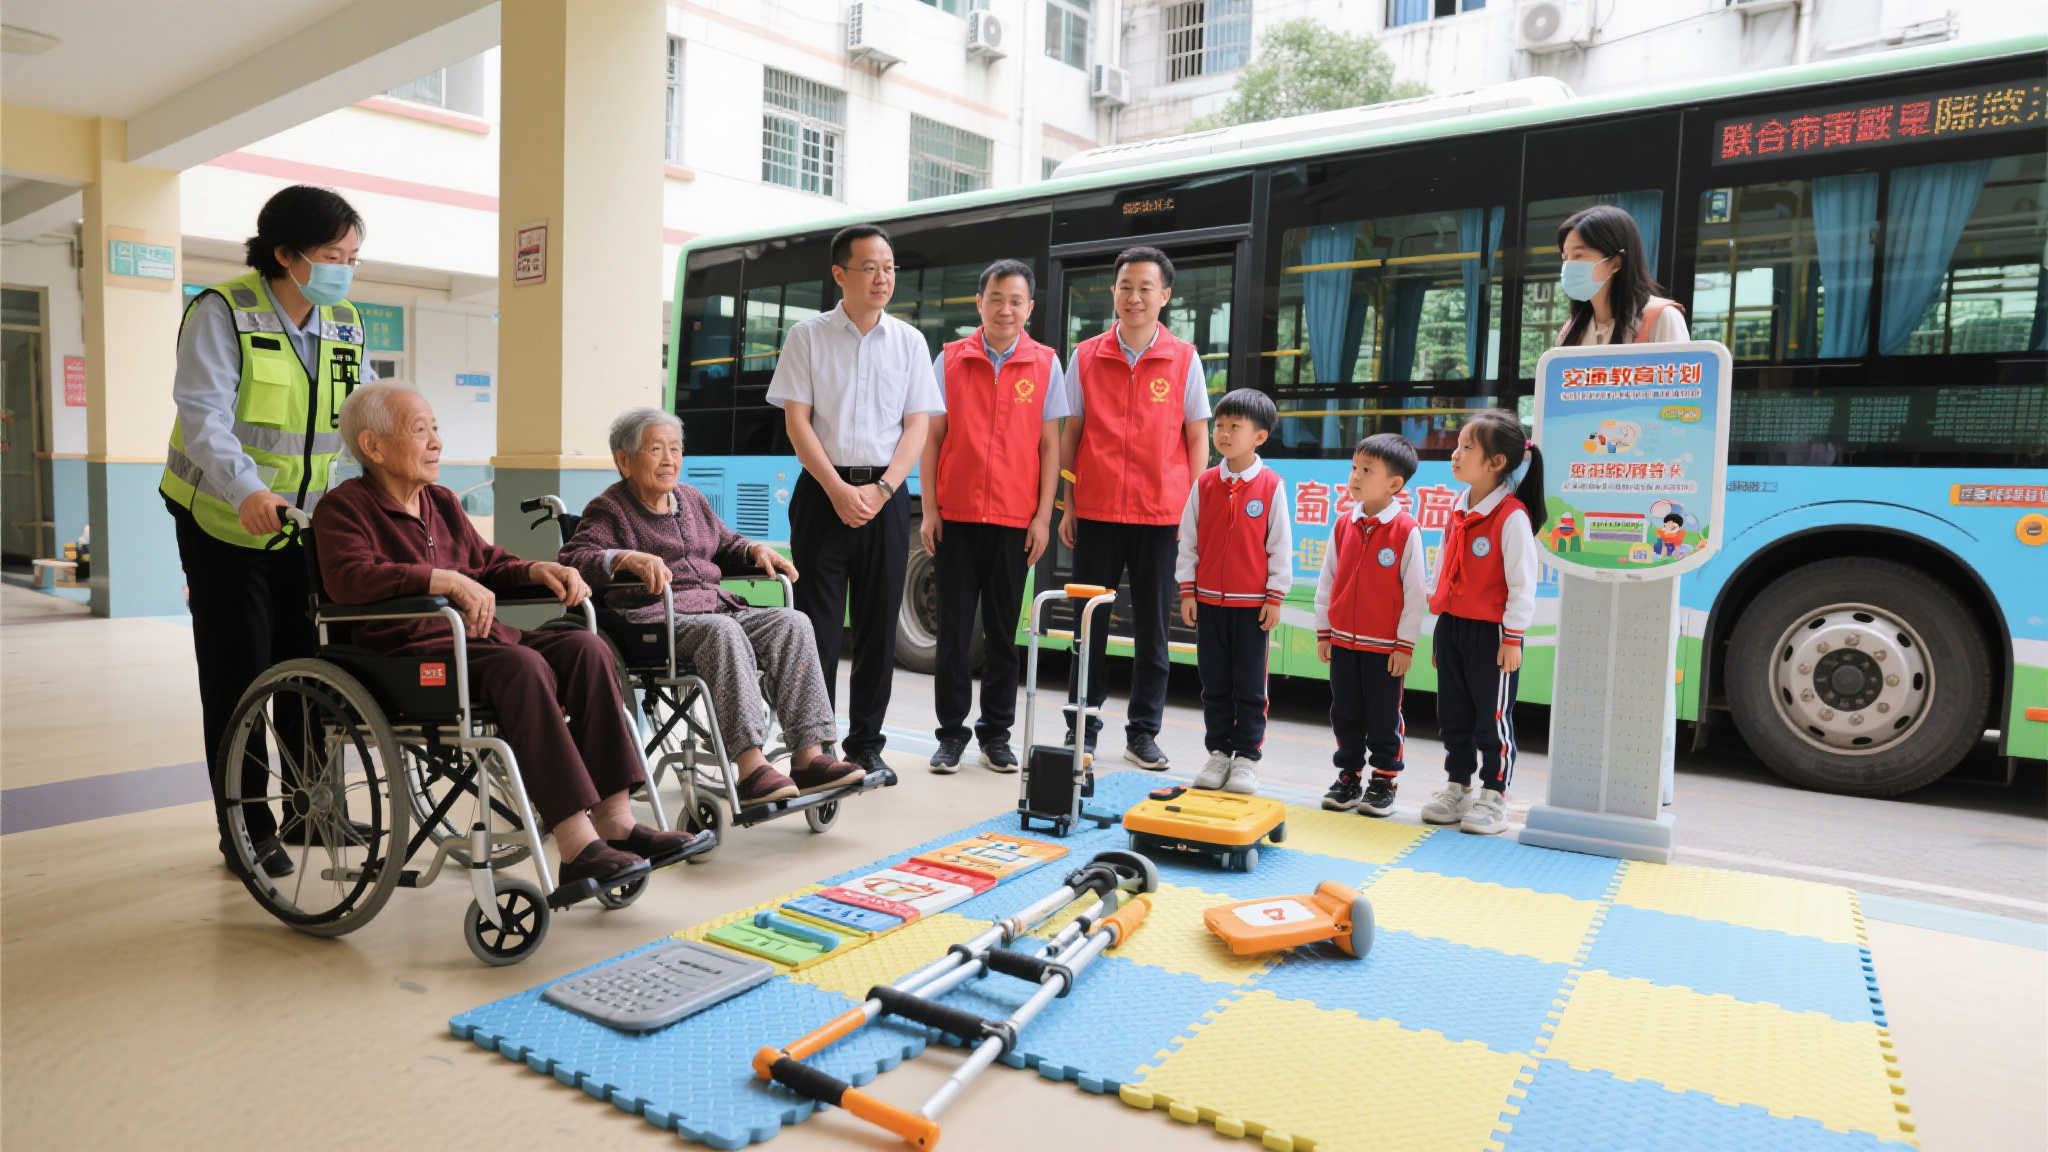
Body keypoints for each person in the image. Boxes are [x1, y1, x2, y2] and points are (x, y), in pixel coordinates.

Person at [314, 383, 709, 900]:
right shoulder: (343, 509)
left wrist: (540, 569)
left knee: (584, 648)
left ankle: (615, 821)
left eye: (436, 428)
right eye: (420, 430)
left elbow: (487, 564)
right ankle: (575, 846)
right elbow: (350, 578)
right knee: (522, 667)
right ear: (373, 445)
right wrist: (442, 581)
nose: (436, 441)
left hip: (479, 643)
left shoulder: (440, 501)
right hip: (409, 656)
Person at [160, 184, 378, 878]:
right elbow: (203, 416)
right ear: (284, 253)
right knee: (240, 673)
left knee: (310, 667)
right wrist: (248, 488)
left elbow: (366, 412)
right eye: (331, 254)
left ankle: (314, 807)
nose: (344, 268)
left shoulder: (344, 322)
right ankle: (245, 827)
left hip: (306, 525)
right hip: (224, 519)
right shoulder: (222, 311)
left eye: (353, 256)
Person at [559, 407, 866, 803]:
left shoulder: (691, 498)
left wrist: (756, 551)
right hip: (654, 621)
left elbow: (726, 543)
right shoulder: (610, 509)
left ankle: (809, 757)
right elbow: (573, 558)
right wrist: (623, 558)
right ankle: (751, 767)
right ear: (624, 460)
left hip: (716, 607)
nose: (670, 459)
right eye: (656, 449)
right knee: (724, 633)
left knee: (793, 622)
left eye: (675, 448)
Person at [767, 224, 943, 776]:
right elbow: (798, 424)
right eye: (870, 267)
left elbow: (917, 426)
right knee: (816, 629)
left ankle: (866, 747)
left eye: (889, 267)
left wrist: (885, 487)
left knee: (876, 628)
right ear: (840, 274)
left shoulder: (910, 341)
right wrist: (838, 489)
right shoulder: (808, 337)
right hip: (823, 496)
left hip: (886, 500)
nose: (883, 277)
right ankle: (811, 749)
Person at [1056, 246, 1211, 770]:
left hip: (1161, 519)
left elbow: (1196, 442)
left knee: (1153, 631)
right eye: (1126, 286)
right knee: (1088, 626)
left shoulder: (1185, 360)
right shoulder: (1084, 356)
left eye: (1146, 287)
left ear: (1165, 296)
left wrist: (1192, 516)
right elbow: (1071, 434)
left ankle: (1143, 732)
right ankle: (1082, 727)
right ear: (1114, 292)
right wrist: (1068, 503)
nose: (1134, 296)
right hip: (1097, 513)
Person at [920, 259, 1065, 775]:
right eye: (997, 298)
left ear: (1031, 308)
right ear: (979, 303)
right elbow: (931, 438)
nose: (1006, 308)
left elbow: (1051, 448)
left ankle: (996, 735)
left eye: (1017, 300)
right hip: (956, 519)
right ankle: (950, 736)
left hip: (1013, 522)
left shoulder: (1047, 363)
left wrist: (1042, 518)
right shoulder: (949, 360)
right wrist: (931, 510)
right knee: (954, 634)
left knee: (1005, 635)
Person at [1418, 411, 1546, 836]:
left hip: (1492, 635)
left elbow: (1523, 585)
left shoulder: (1511, 517)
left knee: (1492, 717)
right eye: (1458, 445)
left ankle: (1495, 794)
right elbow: (1443, 566)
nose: (1455, 454)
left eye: (1467, 448)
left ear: (1497, 463)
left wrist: (1512, 638)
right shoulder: (1459, 506)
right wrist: (1441, 622)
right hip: (1453, 625)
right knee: (1453, 713)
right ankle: (1458, 786)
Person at [1175, 389, 1291, 795]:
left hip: (1251, 608)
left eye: (1234, 427)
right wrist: (1188, 591)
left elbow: (1279, 546)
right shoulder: (1205, 483)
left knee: (1249, 686)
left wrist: (1274, 596)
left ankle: (1246, 758)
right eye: (1219, 426)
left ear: (1259, 437)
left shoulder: (1271, 486)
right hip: (1209, 604)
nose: (1223, 433)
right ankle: (1219, 752)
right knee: (1214, 683)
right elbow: (1188, 541)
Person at [1314, 433, 1426, 817]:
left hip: (1384, 649)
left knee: (1382, 714)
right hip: (1343, 641)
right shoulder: (1344, 524)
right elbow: (1327, 580)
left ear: (1394, 484)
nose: (1355, 476)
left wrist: (1404, 644)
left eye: (1367, 470)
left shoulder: (1406, 530)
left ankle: (1383, 779)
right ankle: (1348, 776)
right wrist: (1324, 630)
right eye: (1354, 467)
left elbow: (1415, 594)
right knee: (1344, 711)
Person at [1555, 203, 1689, 346]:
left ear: (1616, 262)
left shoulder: (1662, 318)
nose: (1568, 266)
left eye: (1578, 255)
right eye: (1565, 257)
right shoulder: (1570, 331)